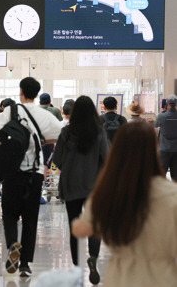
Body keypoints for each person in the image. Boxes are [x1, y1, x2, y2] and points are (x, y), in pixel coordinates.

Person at [73, 121, 177, 286]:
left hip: (120, 277)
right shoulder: (172, 195)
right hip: (162, 277)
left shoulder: (107, 191)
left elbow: (81, 229)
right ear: (154, 150)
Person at [0, 77, 62, 277]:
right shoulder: (45, 116)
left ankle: (12, 246)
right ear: (36, 93)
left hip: (12, 171)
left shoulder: (9, 112)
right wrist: (42, 141)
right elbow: (59, 135)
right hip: (34, 174)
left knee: (9, 214)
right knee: (30, 218)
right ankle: (24, 264)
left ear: (21, 91)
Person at [53, 96, 109, 284]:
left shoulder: (66, 133)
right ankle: (93, 257)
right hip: (94, 186)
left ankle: (77, 267)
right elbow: (107, 158)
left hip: (71, 185)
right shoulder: (99, 132)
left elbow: (57, 161)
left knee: (74, 226)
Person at [154, 94, 177, 181]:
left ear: (166, 103)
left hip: (164, 148)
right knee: (175, 175)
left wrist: (163, 111)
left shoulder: (162, 116)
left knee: (162, 173)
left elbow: (156, 124)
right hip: (176, 149)